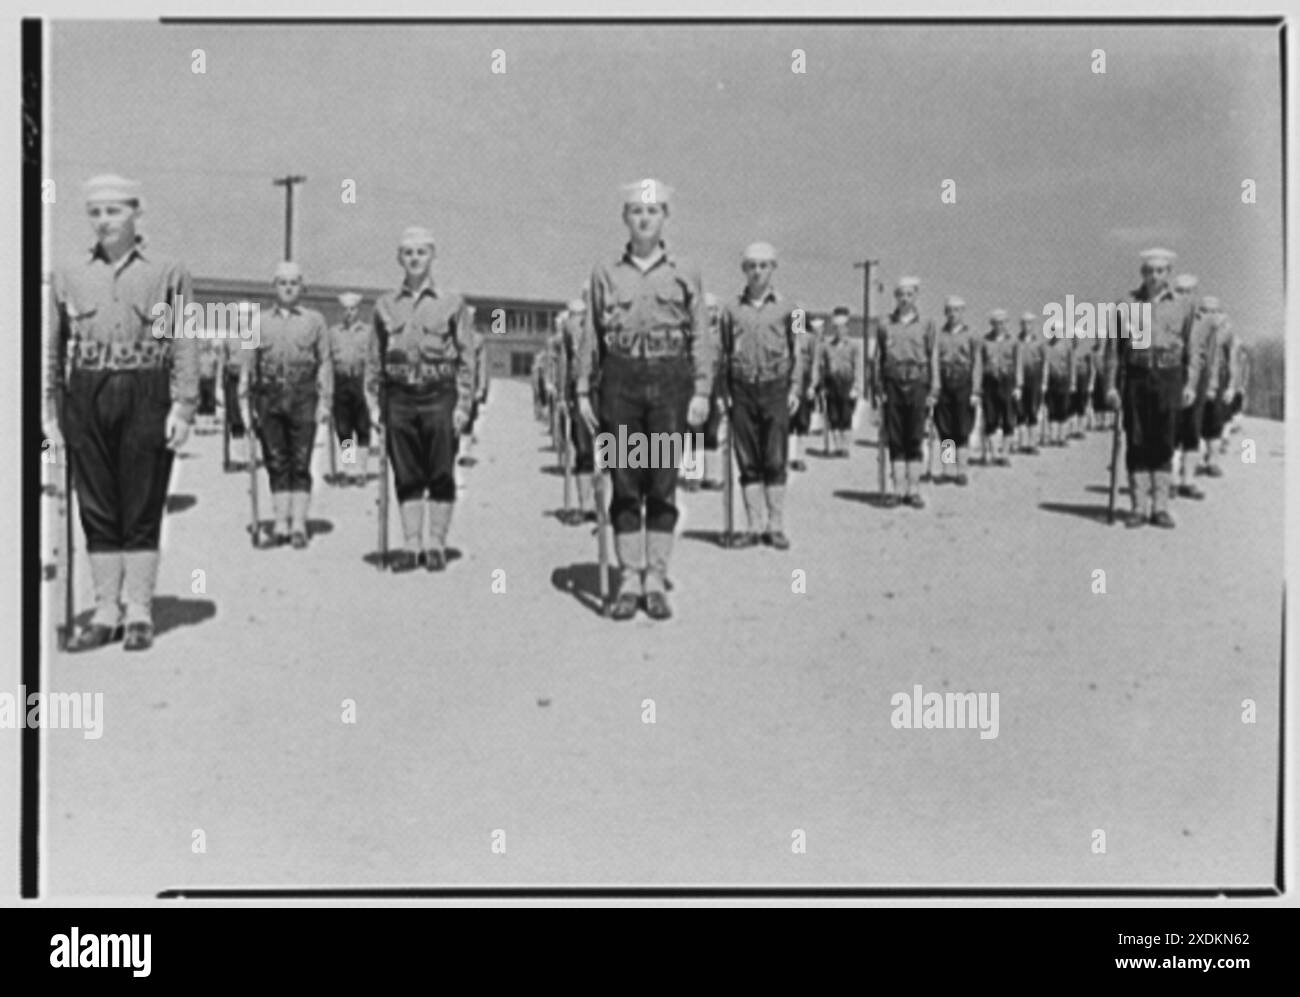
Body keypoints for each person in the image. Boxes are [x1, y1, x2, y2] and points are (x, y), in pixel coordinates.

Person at [44, 173, 199, 651]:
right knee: (95, 504)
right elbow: (52, 344)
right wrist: (48, 411)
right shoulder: (67, 273)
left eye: (114, 211)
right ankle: (105, 609)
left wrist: (185, 405)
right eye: (94, 212)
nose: (104, 221)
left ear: (137, 212)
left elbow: (184, 341)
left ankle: (138, 611)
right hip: (85, 391)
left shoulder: (168, 271)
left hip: (145, 388)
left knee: (142, 500)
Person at [574, 179, 714, 621]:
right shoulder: (605, 273)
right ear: (625, 218)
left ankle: (656, 577)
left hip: (669, 384)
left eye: (652, 212)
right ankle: (629, 579)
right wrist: (582, 387)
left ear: (665, 217)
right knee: (626, 481)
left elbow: (701, 336)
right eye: (636, 211)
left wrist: (703, 389)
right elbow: (591, 335)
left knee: (662, 482)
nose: (644, 218)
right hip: (621, 384)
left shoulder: (685, 272)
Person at [367, 226, 476, 571]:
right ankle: (412, 544)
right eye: (408, 253)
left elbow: (466, 358)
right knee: (406, 471)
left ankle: (436, 543)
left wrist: (463, 405)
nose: (415, 259)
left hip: (438, 394)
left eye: (421, 252)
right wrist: (373, 404)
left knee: (441, 471)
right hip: (399, 396)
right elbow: (374, 359)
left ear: (432, 256)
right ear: (400, 258)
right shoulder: (384, 305)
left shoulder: (452, 303)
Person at [1103, 247, 1204, 529]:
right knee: (1136, 439)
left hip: (1169, 376)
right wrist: (1110, 387)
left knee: (1164, 439)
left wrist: (1191, 385)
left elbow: (1193, 351)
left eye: (1160, 271)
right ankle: (1137, 507)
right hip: (1136, 376)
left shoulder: (1183, 305)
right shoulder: (1126, 305)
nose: (1154, 276)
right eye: (1149, 271)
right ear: (1142, 273)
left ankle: (1160, 507)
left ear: (1168, 274)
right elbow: (1113, 351)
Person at [240, 261, 333, 548]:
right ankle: (280, 522)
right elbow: (247, 367)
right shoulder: (257, 322)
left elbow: (325, 363)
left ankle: (300, 524)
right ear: (274, 287)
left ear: (302, 287)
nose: (288, 287)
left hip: (304, 394)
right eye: (282, 282)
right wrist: (243, 404)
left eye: (294, 283)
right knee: (276, 461)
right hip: (269, 395)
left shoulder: (315, 321)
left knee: (302, 460)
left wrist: (326, 401)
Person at [717, 241, 803, 549]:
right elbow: (722, 352)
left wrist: (795, 388)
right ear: (744, 270)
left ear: (773, 268)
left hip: (775, 388)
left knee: (775, 458)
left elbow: (799, 351)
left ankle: (775, 525)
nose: (757, 272)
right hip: (742, 390)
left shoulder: (793, 309)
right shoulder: (729, 310)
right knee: (747, 459)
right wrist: (722, 392)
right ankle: (753, 526)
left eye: (763, 265)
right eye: (751, 266)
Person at [872, 277, 939, 507]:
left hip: (918, 384)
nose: (904, 299)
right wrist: (878, 388)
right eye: (900, 295)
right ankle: (897, 490)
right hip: (893, 385)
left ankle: (915, 489)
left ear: (916, 296)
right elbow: (877, 359)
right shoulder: (885, 325)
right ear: (895, 297)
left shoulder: (927, 324)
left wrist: (934, 388)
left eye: (909, 295)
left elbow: (933, 357)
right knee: (895, 439)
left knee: (916, 438)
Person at [558, 298, 599, 524]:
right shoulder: (570, 328)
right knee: (583, 448)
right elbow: (566, 361)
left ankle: (609, 504)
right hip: (580, 390)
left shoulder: (610, 321)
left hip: (608, 391)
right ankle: (586, 505)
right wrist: (564, 395)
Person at [933, 295, 981, 485]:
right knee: (945, 429)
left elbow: (977, 363)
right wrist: (934, 388)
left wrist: (976, 391)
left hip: (964, 384)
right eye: (949, 310)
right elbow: (934, 362)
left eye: (957, 310)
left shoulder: (972, 336)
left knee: (962, 429)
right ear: (945, 313)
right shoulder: (938, 335)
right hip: (944, 384)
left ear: (963, 312)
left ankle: (961, 471)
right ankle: (947, 470)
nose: (953, 314)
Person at [328, 291, 372, 486]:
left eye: (352, 309)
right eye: (346, 310)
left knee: (363, 428)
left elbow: (374, 361)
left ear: (358, 310)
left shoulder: (368, 332)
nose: (349, 313)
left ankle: (361, 470)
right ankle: (349, 469)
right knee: (344, 430)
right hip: (341, 382)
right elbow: (327, 363)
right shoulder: (333, 333)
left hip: (361, 382)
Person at [816, 306, 862, 458]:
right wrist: (821, 386)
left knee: (846, 417)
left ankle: (845, 447)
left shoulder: (854, 346)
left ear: (847, 329)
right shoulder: (826, 347)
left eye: (842, 328)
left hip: (847, 383)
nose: (839, 331)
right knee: (833, 417)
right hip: (831, 384)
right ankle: (837, 447)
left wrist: (856, 386)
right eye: (836, 328)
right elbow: (821, 368)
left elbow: (858, 367)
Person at [979, 309, 1020, 467]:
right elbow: (979, 364)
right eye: (996, 322)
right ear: (991, 324)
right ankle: (992, 453)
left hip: (1007, 382)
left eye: (1002, 322)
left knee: (1009, 420)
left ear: (1006, 324)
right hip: (989, 383)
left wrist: (1018, 386)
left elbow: (1018, 365)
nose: (999, 325)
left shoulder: (1013, 342)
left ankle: (1004, 455)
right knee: (989, 419)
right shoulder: (985, 341)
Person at [1015, 311, 1045, 454]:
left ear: (1033, 325)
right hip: (1018, 381)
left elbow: (1045, 364)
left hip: (1035, 381)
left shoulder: (1039, 344)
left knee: (1033, 411)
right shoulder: (1016, 342)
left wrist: (1044, 382)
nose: (1026, 326)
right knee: (1020, 412)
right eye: (1024, 323)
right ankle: (1022, 443)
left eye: (1029, 323)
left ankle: (1032, 444)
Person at [1042, 320, 1076, 447]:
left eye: (1059, 330)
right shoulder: (1047, 346)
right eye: (1054, 330)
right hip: (1051, 381)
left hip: (1064, 380)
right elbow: (1045, 365)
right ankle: (1052, 437)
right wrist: (1044, 382)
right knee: (1051, 408)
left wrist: (1073, 383)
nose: (1056, 332)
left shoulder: (1068, 346)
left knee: (1063, 408)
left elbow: (1072, 365)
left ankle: (1062, 437)